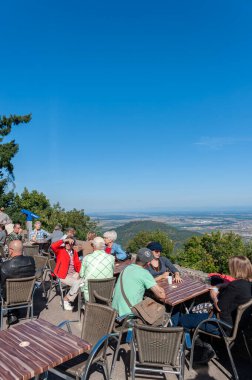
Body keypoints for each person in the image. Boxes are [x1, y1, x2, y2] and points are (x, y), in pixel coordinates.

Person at [173, 256, 252, 332]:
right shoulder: (248, 284)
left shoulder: (235, 286)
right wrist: (222, 285)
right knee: (193, 314)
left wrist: (213, 295)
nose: (229, 268)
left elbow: (219, 307)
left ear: (236, 269)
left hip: (221, 325)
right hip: (238, 325)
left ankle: (187, 344)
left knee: (183, 320)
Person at [112, 247, 165, 317]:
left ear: (136, 258)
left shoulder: (126, 268)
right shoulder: (144, 273)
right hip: (127, 315)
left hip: (113, 311)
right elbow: (162, 296)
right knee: (161, 311)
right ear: (148, 263)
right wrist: (162, 289)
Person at [0, 240, 35, 325]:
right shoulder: (31, 260)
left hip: (9, 297)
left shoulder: (5, 265)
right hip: (26, 294)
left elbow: (2, 284)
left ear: (11, 250)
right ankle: (13, 312)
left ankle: (12, 313)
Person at [50, 237, 82, 310]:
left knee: (83, 281)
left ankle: (80, 300)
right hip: (62, 275)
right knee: (78, 284)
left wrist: (79, 273)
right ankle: (65, 301)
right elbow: (53, 246)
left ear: (73, 244)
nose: (68, 244)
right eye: (66, 243)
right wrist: (64, 240)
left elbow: (77, 264)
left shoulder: (74, 252)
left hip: (73, 273)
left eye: (70, 243)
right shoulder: (60, 250)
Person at [80, 236, 115, 301]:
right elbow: (112, 272)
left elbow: (81, 275)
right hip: (107, 294)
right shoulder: (111, 258)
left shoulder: (86, 258)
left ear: (93, 246)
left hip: (90, 295)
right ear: (104, 246)